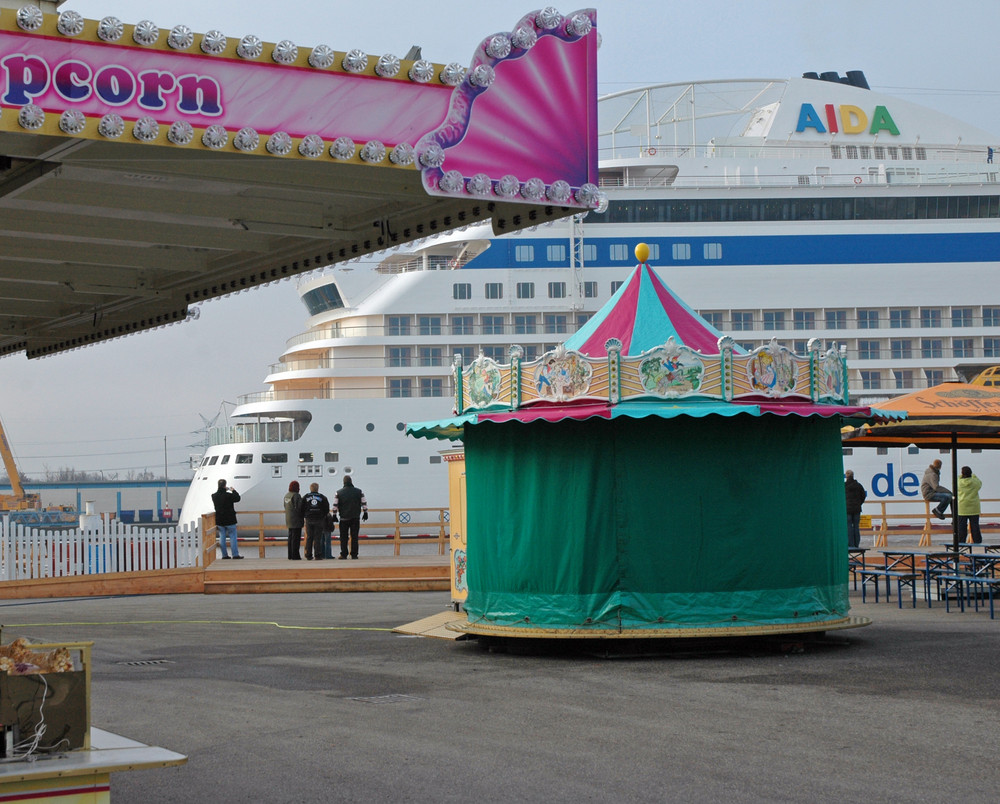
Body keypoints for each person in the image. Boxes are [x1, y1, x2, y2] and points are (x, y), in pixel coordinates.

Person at [333, 475, 368, 560]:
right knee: (355, 537)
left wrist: (334, 515)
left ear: (343, 482)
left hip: (344, 518)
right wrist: (365, 512)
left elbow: (335, 505)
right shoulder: (359, 492)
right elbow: (364, 503)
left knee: (343, 537)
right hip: (355, 517)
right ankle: (354, 554)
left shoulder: (338, 492)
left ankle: (344, 554)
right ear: (351, 481)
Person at [211, 479, 243, 559]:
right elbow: (238, 498)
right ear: (225, 485)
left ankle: (224, 555)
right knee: (233, 537)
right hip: (230, 519)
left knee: (222, 537)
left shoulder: (214, 496)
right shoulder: (229, 495)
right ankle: (235, 555)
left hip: (220, 520)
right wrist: (233, 490)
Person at [300, 483, 330, 560]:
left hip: (309, 519)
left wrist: (305, 515)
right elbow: (326, 508)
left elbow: (301, 507)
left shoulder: (306, 497)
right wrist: (323, 515)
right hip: (319, 519)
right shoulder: (322, 497)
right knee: (318, 538)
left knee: (309, 537)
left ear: (310, 488)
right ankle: (318, 555)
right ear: (317, 488)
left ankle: (308, 554)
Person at [957, 466, 983, 544]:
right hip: (974, 507)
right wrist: (974, 476)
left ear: (962, 473)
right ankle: (977, 541)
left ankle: (961, 542)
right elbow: (980, 483)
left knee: (962, 526)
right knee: (975, 526)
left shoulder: (959, 482)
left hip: (962, 507)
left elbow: (956, 480)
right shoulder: (975, 482)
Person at [844, 469, 867, 548]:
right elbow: (863, 495)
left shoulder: (844, 486)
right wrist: (859, 503)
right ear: (853, 476)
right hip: (857, 509)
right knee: (856, 526)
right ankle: (856, 544)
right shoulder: (858, 485)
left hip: (847, 509)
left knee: (849, 526)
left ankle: (850, 544)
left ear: (846, 476)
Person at [283, 481, 304, 560]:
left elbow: (285, 506)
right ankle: (295, 555)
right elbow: (299, 508)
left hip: (288, 518)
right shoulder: (296, 496)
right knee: (296, 538)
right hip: (296, 519)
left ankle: (290, 555)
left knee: (290, 537)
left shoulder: (287, 496)